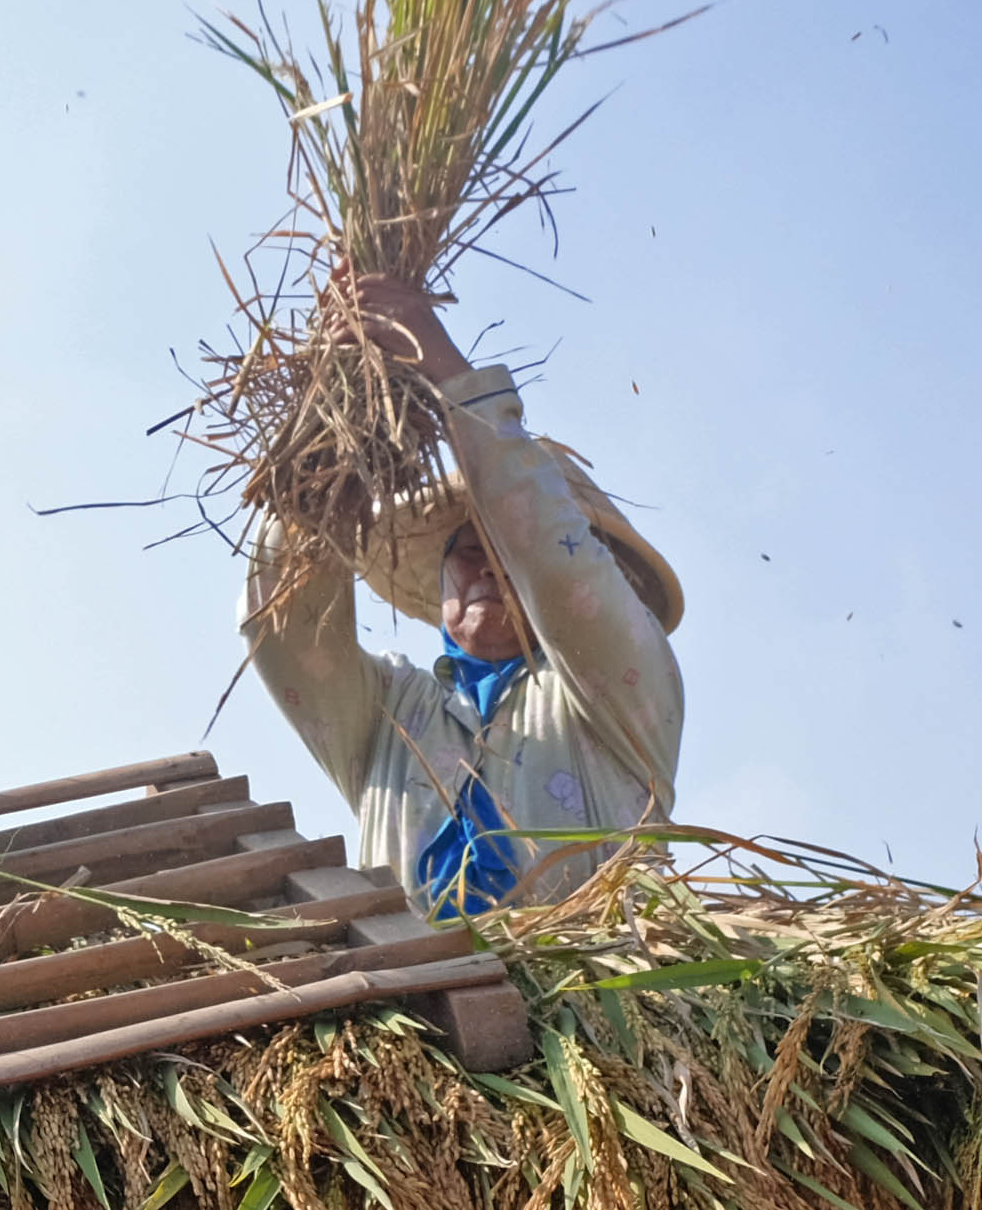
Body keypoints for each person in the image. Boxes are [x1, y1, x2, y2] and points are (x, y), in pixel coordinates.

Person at [242, 272, 687, 918]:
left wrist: (447, 371)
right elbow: (285, 623)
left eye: (505, 551)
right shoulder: (389, 714)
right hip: (428, 1007)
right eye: (468, 551)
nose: (488, 569)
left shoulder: (617, 697)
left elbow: (560, 570)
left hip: (595, 999)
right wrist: (334, 424)